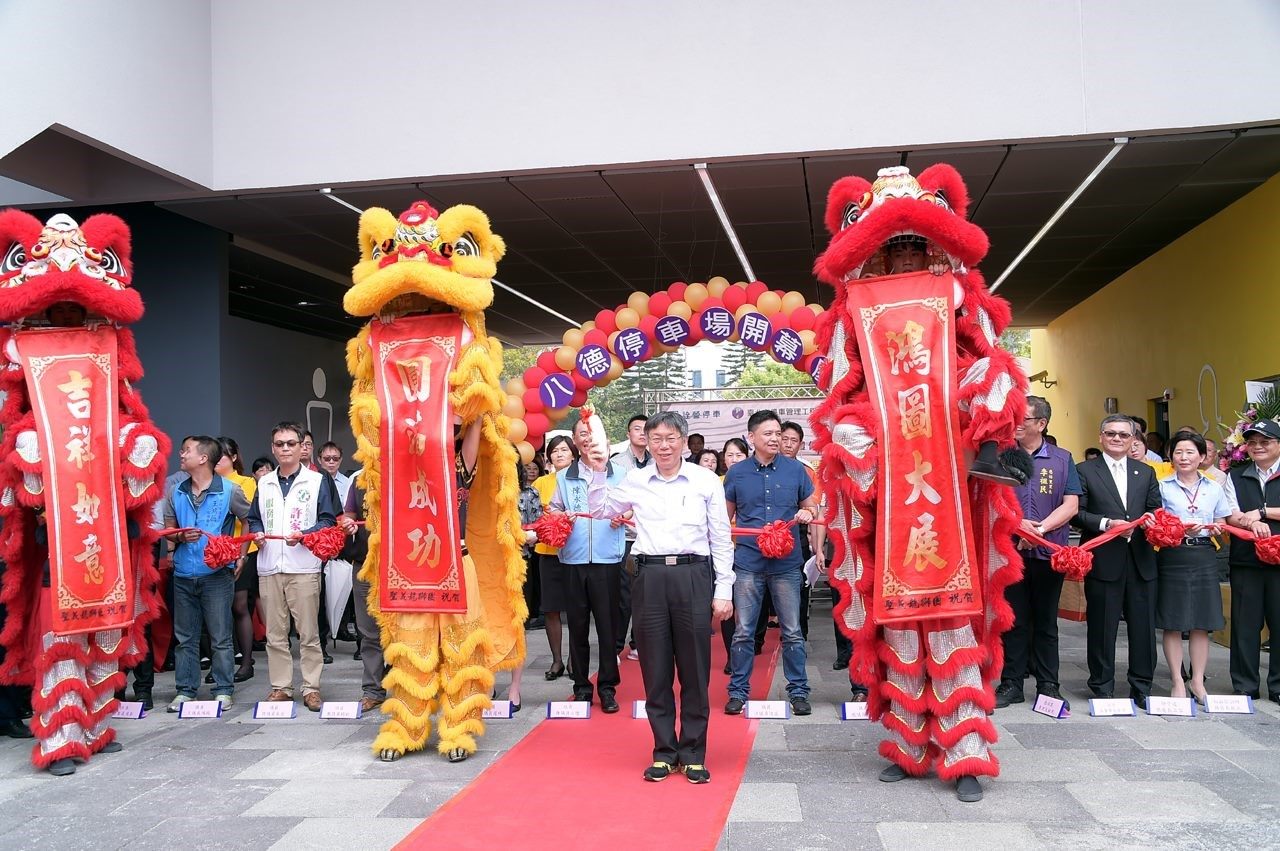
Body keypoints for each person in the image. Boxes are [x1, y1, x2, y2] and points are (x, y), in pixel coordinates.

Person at [585, 412, 734, 784]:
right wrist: (601, 471)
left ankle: (694, 752)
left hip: (693, 575)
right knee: (655, 669)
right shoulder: (635, 481)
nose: (663, 446)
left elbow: (720, 537)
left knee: (695, 670)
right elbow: (603, 510)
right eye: (656, 439)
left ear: (684, 441)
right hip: (649, 577)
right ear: (646, 443)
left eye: (671, 438)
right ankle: (665, 751)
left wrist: (724, 589)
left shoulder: (705, 481)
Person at [723, 411, 818, 717]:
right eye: (768, 434)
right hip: (748, 562)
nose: (775, 439)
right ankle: (737, 691)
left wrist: (808, 514)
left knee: (792, 631)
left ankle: (799, 692)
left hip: (787, 564)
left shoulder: (796, 471)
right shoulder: (736, 474)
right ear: (751, 437)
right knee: (743, 631)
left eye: (778, 433)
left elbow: (811, 506)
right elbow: (724, 520)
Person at [246, 421, 341, 711]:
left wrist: (306, 535)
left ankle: (311, 688)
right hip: (270, 565)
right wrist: (257, 531)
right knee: (275, 634)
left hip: (304, 566)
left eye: (291, 443)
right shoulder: (264, 482)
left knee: (309, 633)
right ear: (273, 447)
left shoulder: (318, 480)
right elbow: (254, 518)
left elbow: (329, 520)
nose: (285, 448)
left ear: (302, 447)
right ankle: (281, 687)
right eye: (279, 444)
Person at [996, 397, 1082, 709]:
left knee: (1047, 622)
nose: (1016, 423)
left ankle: (1049, 685)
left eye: (1024, 418)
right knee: (1013, 620)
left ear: (1041, 424)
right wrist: (1019, 525)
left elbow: (1071, 504)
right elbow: (991, 499)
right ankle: (1011, 684)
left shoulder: (1062, 458)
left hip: (1050, 553)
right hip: (1011, 551)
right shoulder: (1003, 456)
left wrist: (1040, 530)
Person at [1073, 415, 1162, 708]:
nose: (1117, 439)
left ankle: (1141, 685)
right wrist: (1106, 523)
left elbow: (1155, 508)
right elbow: (1077, 512)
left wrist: (1149, 521)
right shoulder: (1084, 470)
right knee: (1102, 626)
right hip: (1103, 556)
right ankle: (1102, 685)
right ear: (1100, 437)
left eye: (1124, 435)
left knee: (1143, 627)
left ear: (1133, 440)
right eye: (1111, 433)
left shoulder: (1145, 472)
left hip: (1140, 559)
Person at [163, 436, 252, 712]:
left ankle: (224, 689)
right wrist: (179, 537)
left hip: (216, 573)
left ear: (204, 458)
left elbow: (248, 520)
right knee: (185, 636)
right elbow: (168, 532)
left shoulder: (230, 490)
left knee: (220, 634)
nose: (181, 453)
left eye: (187, 450)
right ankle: (185, 689)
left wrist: (241, 553)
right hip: (183, 573)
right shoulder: (175, 492)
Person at [550, 418, 628, 713]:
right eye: (582, 435)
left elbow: (630, 506)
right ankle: (581, 686)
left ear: (605, 442)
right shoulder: (564, 477)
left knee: (608, 628)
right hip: (574, 559)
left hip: (608, 558)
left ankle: (608, 687)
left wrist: (625, 513)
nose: (587, 440)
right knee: (578, 627)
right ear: (575, 440)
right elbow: (553, 510)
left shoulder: (619, 474)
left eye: (592, 435)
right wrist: (561, 517)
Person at [1155, 430, 1232, 704]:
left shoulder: (1214, 488)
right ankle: (1177, 680)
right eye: (1178, 452)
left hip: (1204, 554)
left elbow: (1224, 525)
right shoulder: (1162, 486)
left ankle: (1197, 681)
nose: (1183, 457)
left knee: (1202, 621)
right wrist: (1176, 528)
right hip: (1173, 555)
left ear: (1202, 457)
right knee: (1173, 621)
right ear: (1171, 456)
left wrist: (1214, 528)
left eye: (1190, 452)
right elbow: (1154, 524)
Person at [1222, 418, 1280, 703]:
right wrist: (1249, 521)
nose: (1258, 447)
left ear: (1278, 445)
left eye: (1265, 442)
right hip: (1247, 560)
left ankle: (1278, 687)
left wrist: (1263, 511)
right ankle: (1245, 685)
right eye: (1252, 442)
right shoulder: (1236, 475)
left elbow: (1255, 512)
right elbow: (1231, 514)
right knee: (1245, 625)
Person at [337, 484, 386, 714]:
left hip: (402, 566)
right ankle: (373, 690)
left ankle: (410, 688)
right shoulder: (360, 481)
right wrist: (346, 524)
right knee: (368, 632)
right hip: (365, 566)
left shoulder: (406, 472)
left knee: (407, 631)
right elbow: (349, 516)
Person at [610, 413, 653, 659]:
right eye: (637, 428)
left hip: (649, 537)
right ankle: (617, 646)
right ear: (628, 434)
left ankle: (638, 643)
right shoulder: (617, 463)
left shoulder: (656, 462)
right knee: (624, 595)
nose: (642, 433)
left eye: (646, 429)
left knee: (646, 594)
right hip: (625, 537)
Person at [217, 437, 259, 682]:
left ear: (233, 457)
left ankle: (246, 661)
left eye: (221, 456)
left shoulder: (245, 482)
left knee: (240, 606)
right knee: (217, 610)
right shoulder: (207, 483)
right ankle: (221, 662)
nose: (216, 461)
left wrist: (241, 553)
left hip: (244, 550)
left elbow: (248, 518)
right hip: (216, 553)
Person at [534, 435, 575, 680]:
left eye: (564, 450)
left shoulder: (580, 480)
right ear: (548, 456)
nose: (559, 454)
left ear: (573, 453)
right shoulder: (540, 482)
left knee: (575, 609)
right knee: (551, 608)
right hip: (547, 552)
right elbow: (532, 513)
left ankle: (574, 661)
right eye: (554, 451)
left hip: (574, 553)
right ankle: (557, 660)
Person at [516, 461, 545, 631]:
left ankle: (524, 621)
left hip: (524, 548)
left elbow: (537, 519)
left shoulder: (531, 492)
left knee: (525, 585)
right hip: (499, 549)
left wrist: (532, 534)